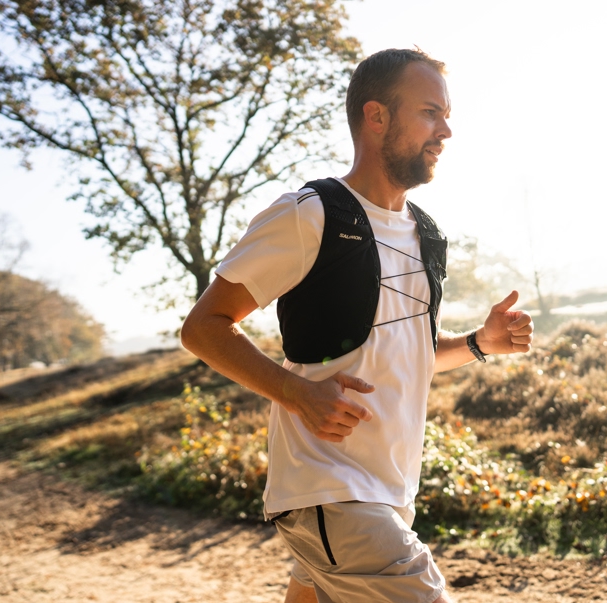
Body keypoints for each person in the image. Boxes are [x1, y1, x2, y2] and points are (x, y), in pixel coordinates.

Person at [181, 48, 533, 603]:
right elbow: (203, 327)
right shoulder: (310, 213)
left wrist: (479, 343)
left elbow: (405, 350)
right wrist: (298, 393)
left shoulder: (426, 234)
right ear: (377, 116)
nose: (446, 130)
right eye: (430, 112)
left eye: (445, 114)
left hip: (385, 493)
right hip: (331, 491)